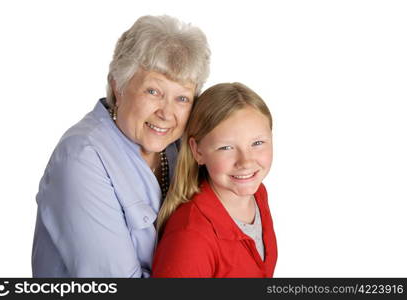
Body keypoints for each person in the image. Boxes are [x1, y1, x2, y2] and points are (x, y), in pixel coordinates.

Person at [32, 15, 210, 277]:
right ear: (119, 86)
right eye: (153, 91)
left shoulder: (182, 148)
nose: (167, 113)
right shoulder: (81, 159)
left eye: (182, 98)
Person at [152, 83, 277, 277]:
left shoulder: (258, 194)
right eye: (226, 148)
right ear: (198, 151)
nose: (246, 162)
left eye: (257, 143)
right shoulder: (190, 238)